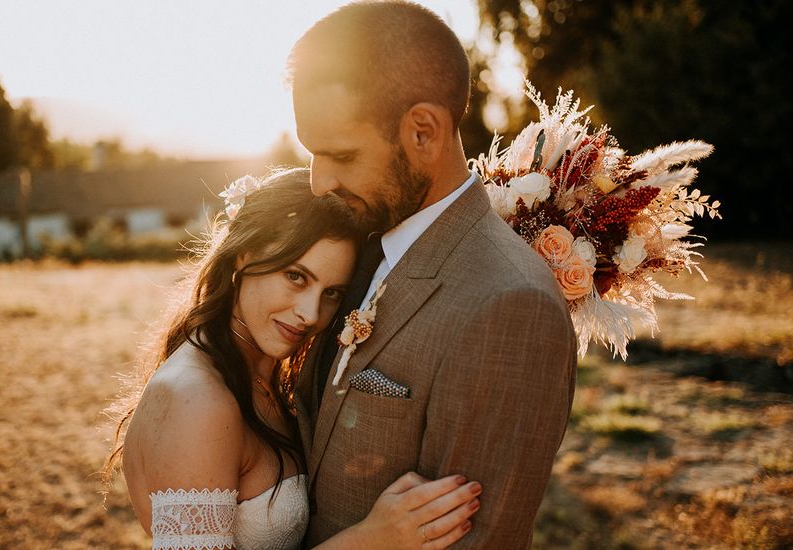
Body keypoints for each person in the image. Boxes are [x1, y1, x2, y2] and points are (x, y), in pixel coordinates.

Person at [287, 2, 578, 548]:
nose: (318, 182)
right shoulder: (353, 245)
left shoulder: (511, 305)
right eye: (311, 154)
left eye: (341, 155)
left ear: (424, 132)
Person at [102, 168, 483, 550]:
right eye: (296, 277)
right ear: (244, 254)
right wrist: (372, 540)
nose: (311, 313)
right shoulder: (197, 401)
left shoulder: (266, 372)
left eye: (331, 292)